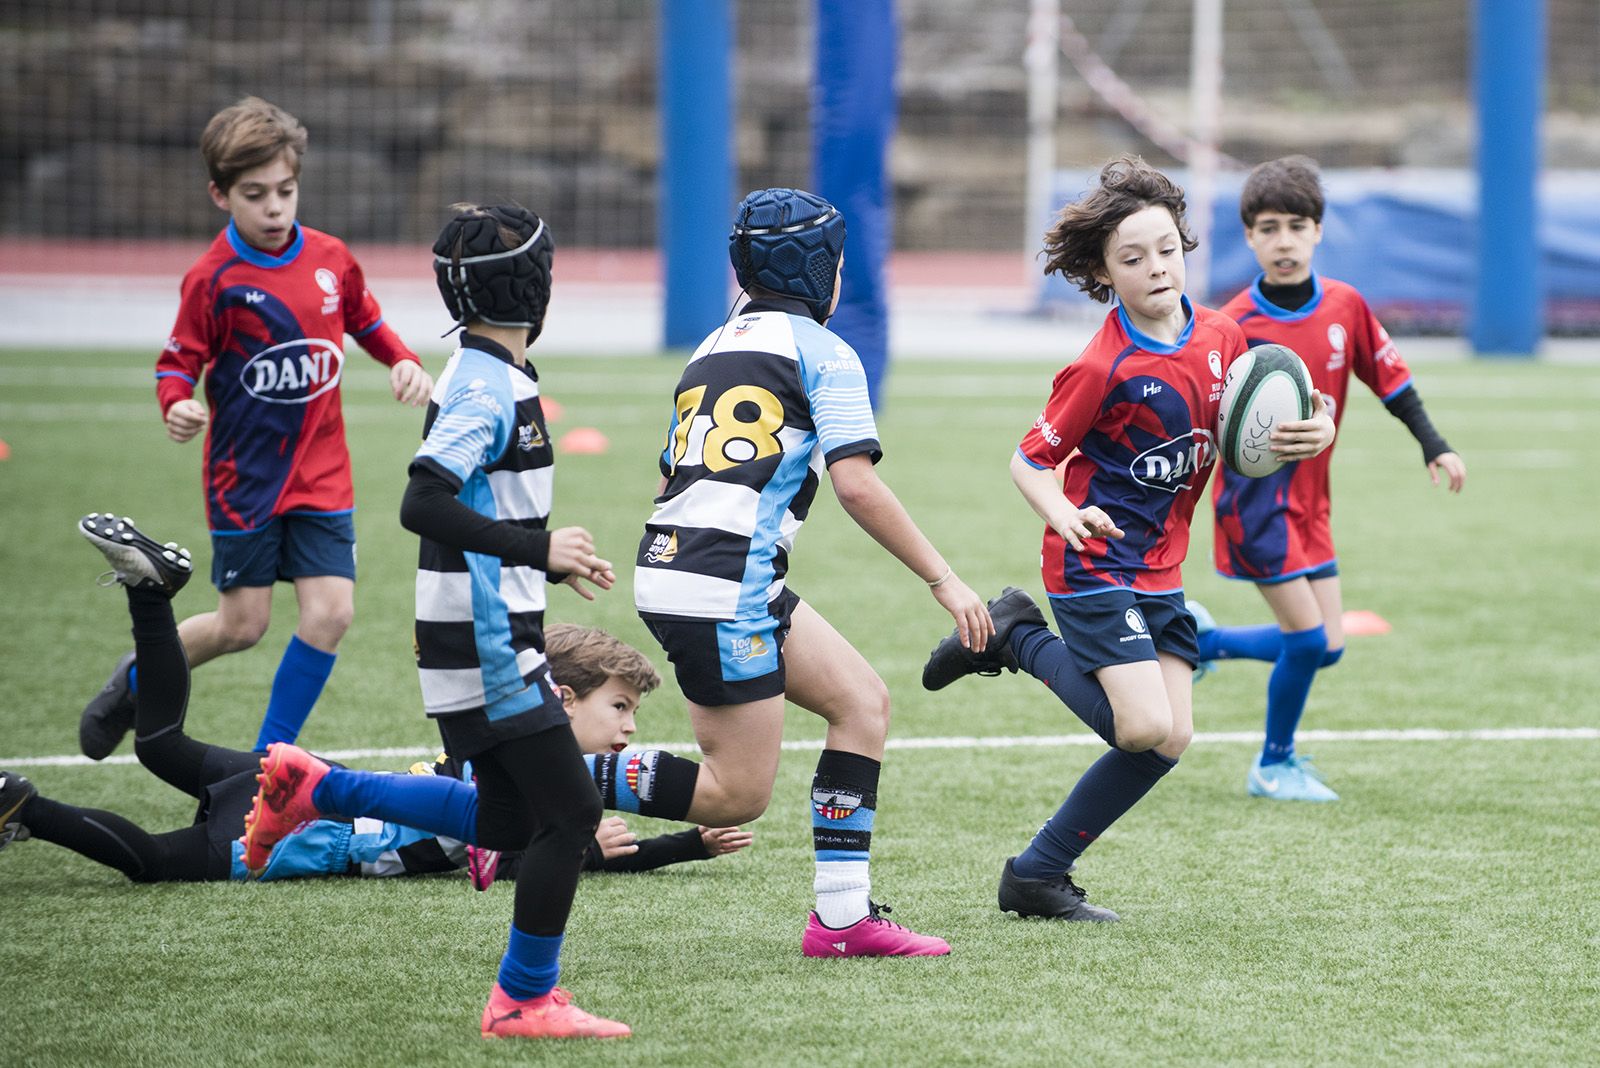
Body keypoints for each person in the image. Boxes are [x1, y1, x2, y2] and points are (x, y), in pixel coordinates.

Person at [241, 203, 630, 1039]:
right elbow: (424, 499)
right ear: (538, 284)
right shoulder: (486, 384)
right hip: (489, 651)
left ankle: (320, 787)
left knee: (507, 823)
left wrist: (541, 557)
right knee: (570, 817)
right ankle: (522, 1000)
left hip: (477, 642)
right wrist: (538, 549)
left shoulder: (489, 372)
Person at [920, 156, 1336, 920]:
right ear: (1105, 273)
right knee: (1142, 725)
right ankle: (1015, 635)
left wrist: (1315, 427)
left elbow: (1264, 420)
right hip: (1093, 563)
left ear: (1185, 247)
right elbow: (1029, 459)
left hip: (1159, 568)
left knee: (1170, 740)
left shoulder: (1221, 335)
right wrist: (1061, 512)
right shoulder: (1101, 366)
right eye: (1132, 258)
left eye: (1166, 250)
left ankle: (1036, 874)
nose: (1155, 268)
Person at [622, 187, 993, 959]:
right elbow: (856, 484)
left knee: (861, 702)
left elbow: (670, 479)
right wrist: (943, 580)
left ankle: (841, 920)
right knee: (736, 794)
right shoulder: (826, 352)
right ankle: (524, 774)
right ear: (825, 267)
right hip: (723, 582)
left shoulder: (709, 346)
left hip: (695, 568)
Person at [0, 519, 750, 886]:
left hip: (306, 777)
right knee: (154, 863)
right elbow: (511, 862)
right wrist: (630, 849)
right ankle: (23, 807)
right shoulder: (534, 766)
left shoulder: (515, 740)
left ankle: (150, 594)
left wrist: (680, 844)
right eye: (619, 707)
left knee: (161, 742)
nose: (627, 729)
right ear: (563, 698)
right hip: (312, 831)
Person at [78, 97, 433, 762]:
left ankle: (271, 767)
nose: (274, 208)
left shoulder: (330, 259)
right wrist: (177, 403)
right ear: (220, 195)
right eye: (254, 195)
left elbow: (365, 320)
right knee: (243, 626)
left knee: (332, 614)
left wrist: (404, 360)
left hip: (323, 475)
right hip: (246, 480)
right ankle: (132, 681)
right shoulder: (214, 280)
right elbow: (176, 363)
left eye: (286, 191)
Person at [1194, 156, 1467, 803]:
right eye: (1267, 228)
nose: (1283, 240)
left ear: (1318, 231)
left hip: (1313, 507)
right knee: (1308, 639)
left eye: (1296, 225)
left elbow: (1393, 384)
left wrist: (1436, 445)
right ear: (1250, 237)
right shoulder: (1235, 327)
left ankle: (1201, 640)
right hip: (1255, 508)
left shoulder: (1347, 306)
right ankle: (1272, 764)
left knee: (1331, 647)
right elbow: (1215, 425)